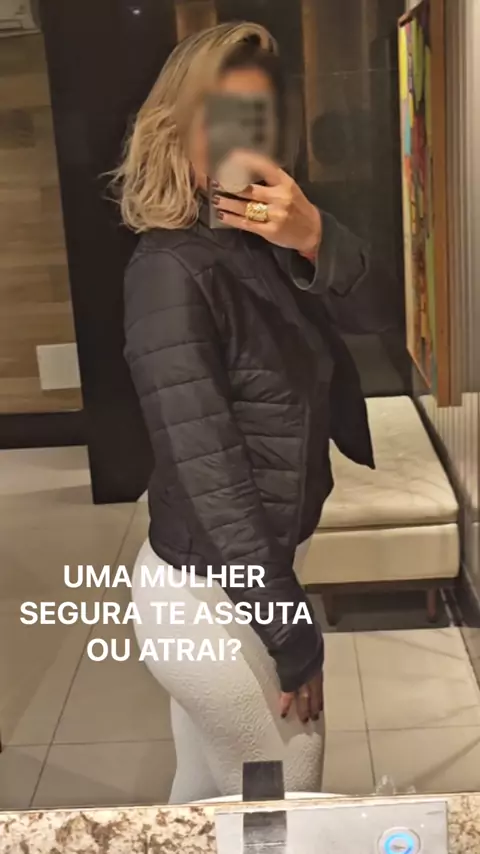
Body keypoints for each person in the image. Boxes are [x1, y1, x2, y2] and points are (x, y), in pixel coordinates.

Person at [116, 21, 395, 803]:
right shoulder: (168, 272)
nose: (245, 139)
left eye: (259, 117)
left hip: (247, 575)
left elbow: (379, 316)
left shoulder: (263, 240)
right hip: (208, 595)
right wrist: (290, 631)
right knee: (282, 806)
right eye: (225, 118)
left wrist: (316, 237)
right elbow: (209, 473)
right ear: (179, 128)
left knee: (205, 794)